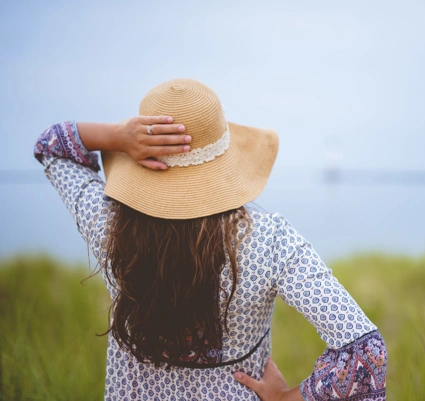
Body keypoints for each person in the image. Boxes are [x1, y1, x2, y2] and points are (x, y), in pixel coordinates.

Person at [34, 78, 387, 401]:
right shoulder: (269, 240)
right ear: (223, 163)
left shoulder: (108, 226)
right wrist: (288, 398)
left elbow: (50, 145)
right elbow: (364, 352)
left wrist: (117, 136)